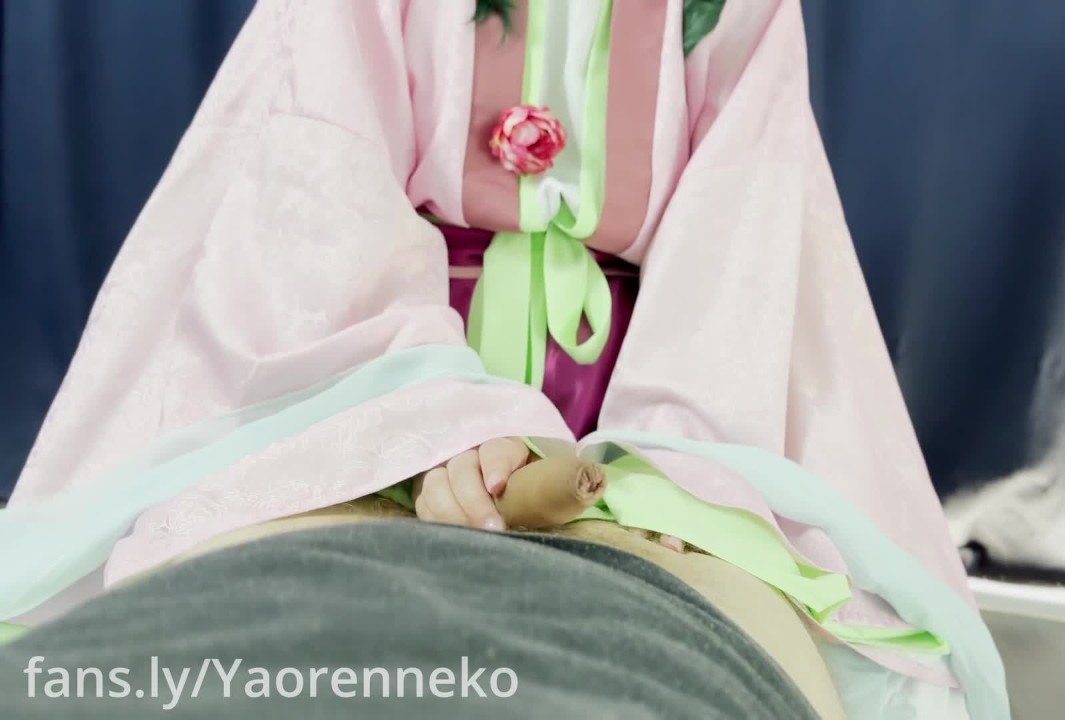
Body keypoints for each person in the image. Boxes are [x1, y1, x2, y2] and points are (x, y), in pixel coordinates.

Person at [0, 1, 1009, 718]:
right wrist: (446, 423)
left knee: (773, 575)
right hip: (386, 365)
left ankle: (594, 492)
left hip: (626, 388)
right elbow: (315, 198)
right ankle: (459, 475)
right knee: (264, 503)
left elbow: (743, 236)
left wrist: (668, 456)